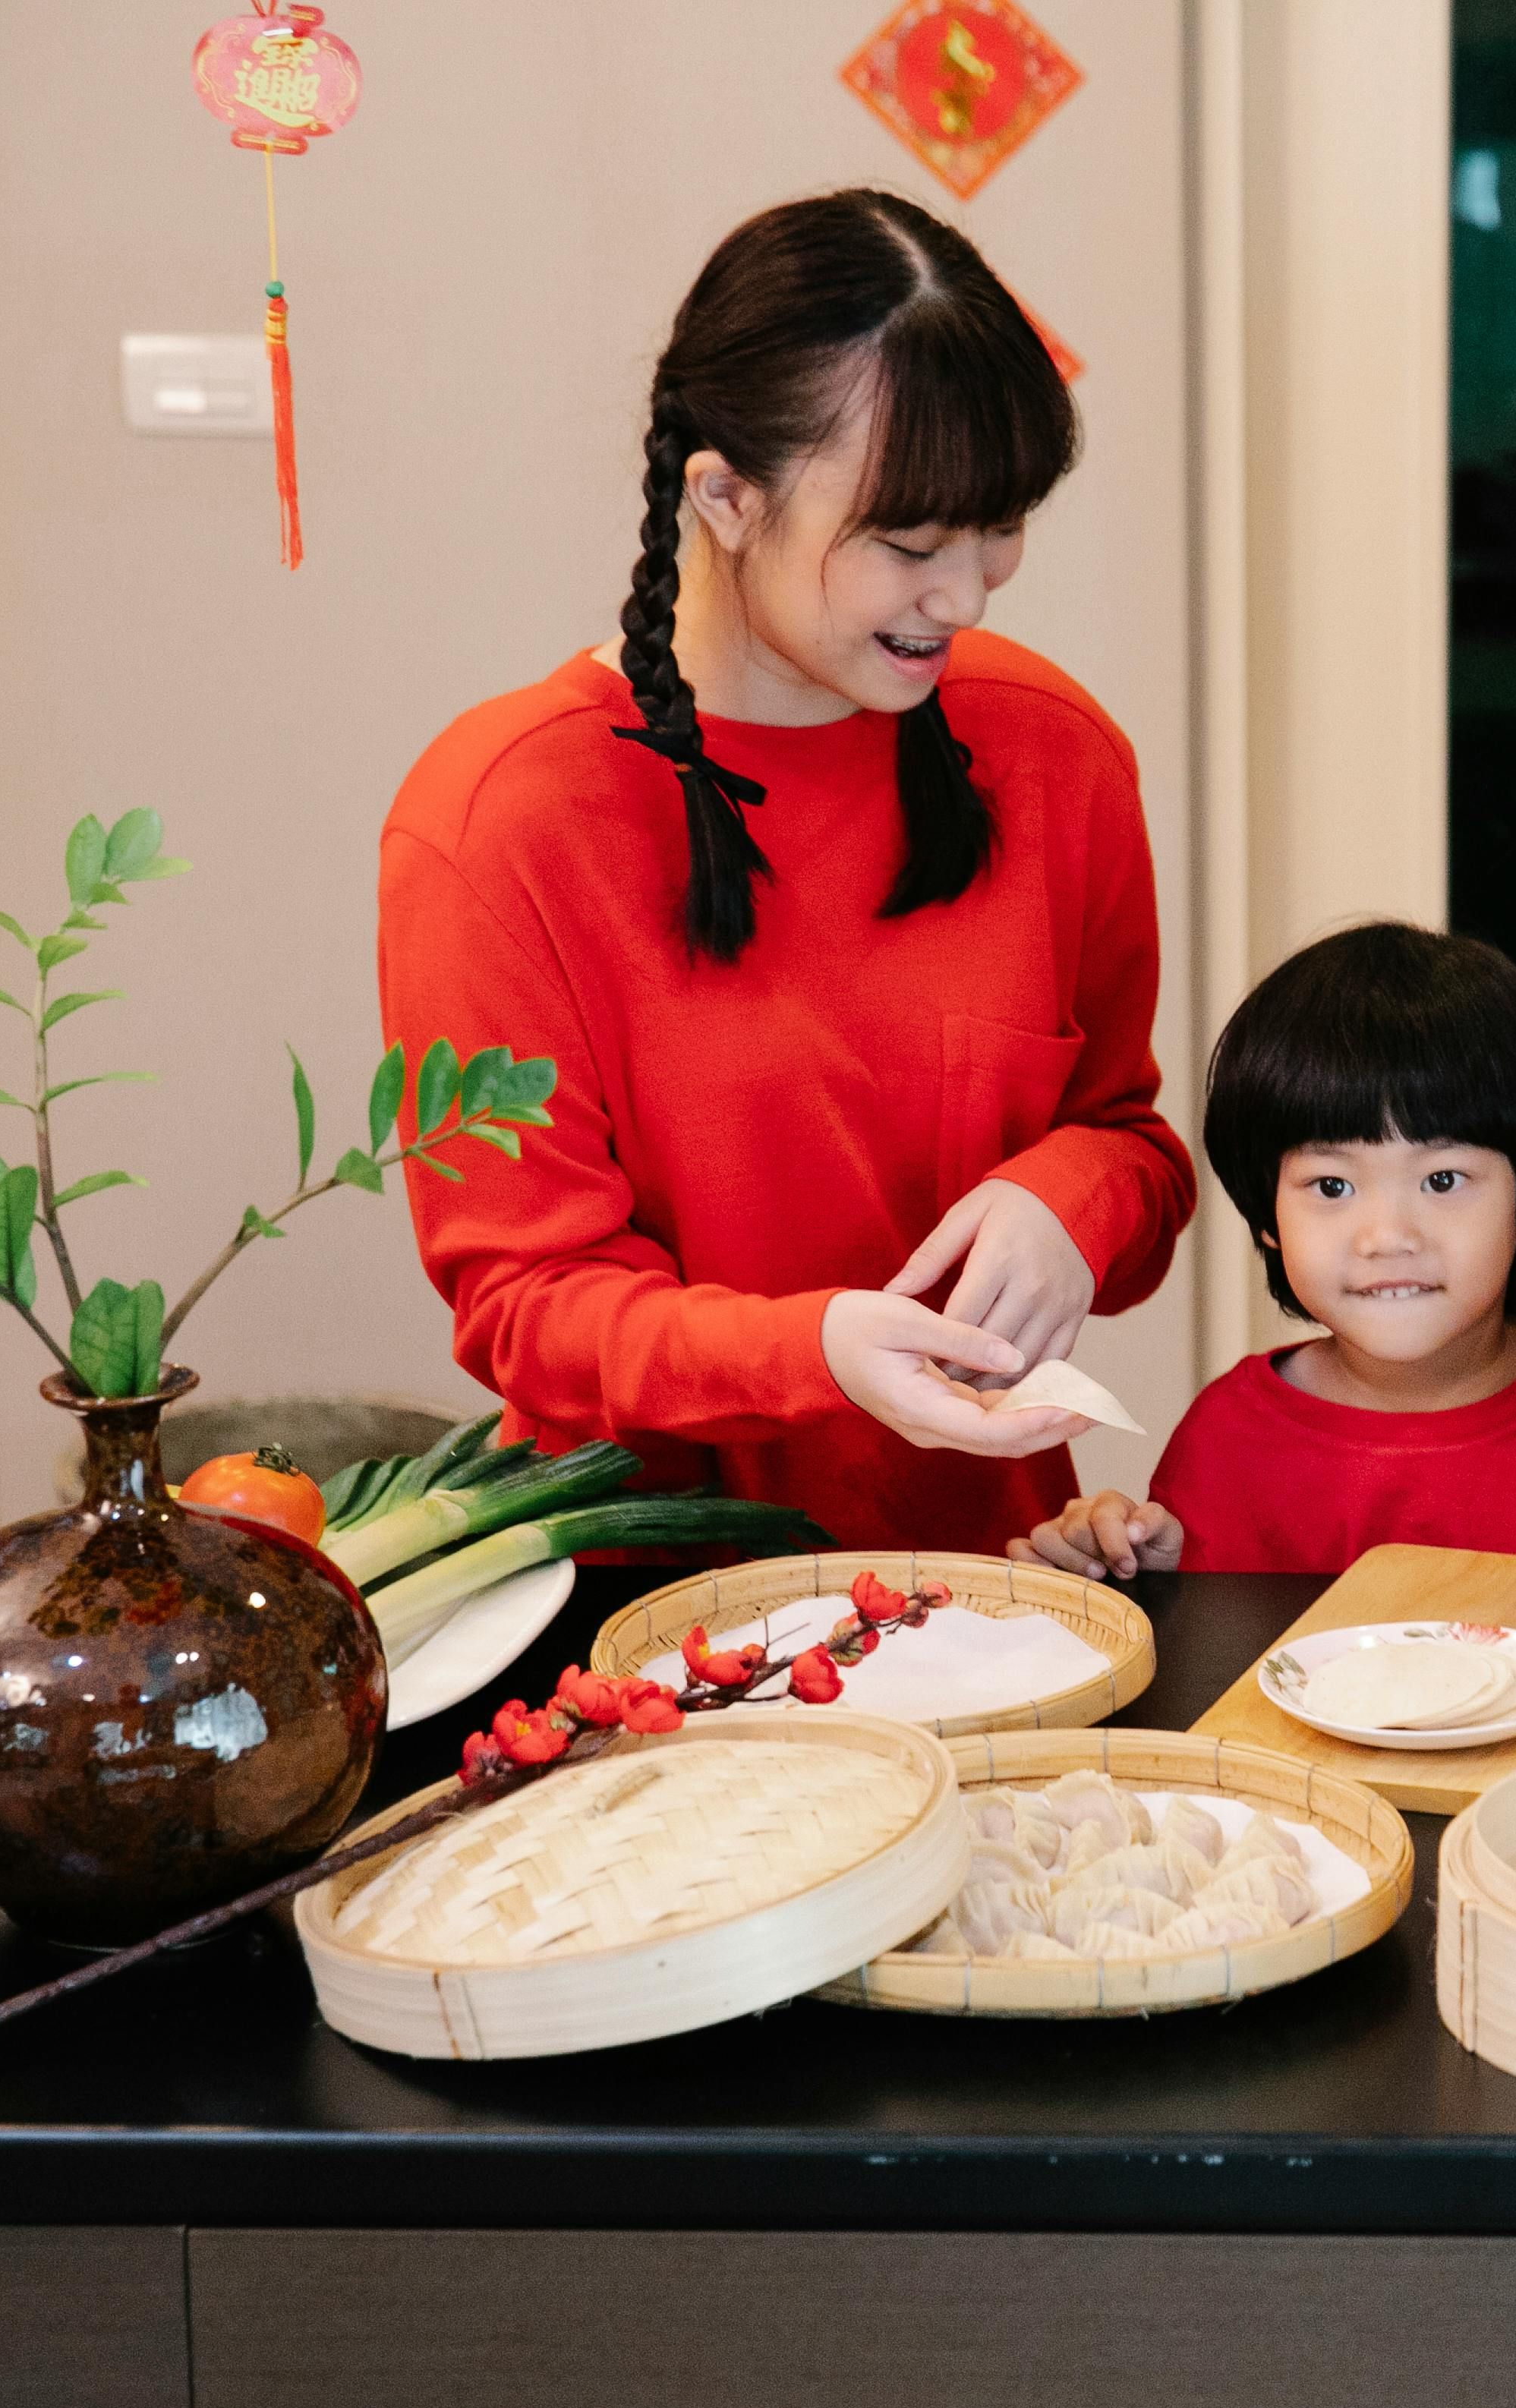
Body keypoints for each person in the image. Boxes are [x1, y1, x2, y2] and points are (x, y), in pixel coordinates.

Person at [378, 191, 1192, 1553]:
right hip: (646, 1599)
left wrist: (1070, 1203)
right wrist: (811, 1352)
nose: (972, 595)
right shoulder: (500, 818)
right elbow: (523, 1308)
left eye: (1002, 528)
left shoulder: (1053, 753)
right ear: (725, 496)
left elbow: (1131, 1142)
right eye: (911, 547)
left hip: (997, 1585)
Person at [1016, 923, 1516, 1581]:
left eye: (1443, 1179)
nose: (1387, 1236)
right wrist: (1124, 1573)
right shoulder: (1226, 1441)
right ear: (1267, 1219)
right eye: (1331, 1186)